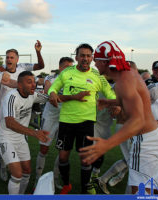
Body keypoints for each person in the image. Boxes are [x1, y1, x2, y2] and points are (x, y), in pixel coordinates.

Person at [79, 40, 158, 194]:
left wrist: (107, 144)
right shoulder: (129, 73)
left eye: (96, 60)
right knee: (152, 184)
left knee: (139, 191)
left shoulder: (123, 82)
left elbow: (138, 120)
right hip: (153, 136)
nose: (95, 64)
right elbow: (134, 100)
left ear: (104, 61)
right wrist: (110, 101)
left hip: (145, 140)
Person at [48, 43, 116, 194]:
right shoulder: (66, 73)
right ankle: (66, 184)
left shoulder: (98, 76)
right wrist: (52, 93)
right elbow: (54, 87)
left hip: (86, 123)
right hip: (66, 121)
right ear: (77, 57)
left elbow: (110, 94)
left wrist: (115, 104)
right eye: (82, 55)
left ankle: (85, 188)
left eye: (88, 56)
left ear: (92, 58)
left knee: (85, 159)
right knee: (63, 157)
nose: (85, 58)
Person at [0, 41, 45, 182]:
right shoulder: (0, 69)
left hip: (22, 107)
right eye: (7, 57)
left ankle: (17, 163)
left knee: (21, 135)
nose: (8, 60)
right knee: (4, 138)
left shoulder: (23, 67)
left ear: (17, 59)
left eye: (11, 57)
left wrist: (38, 51)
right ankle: (4, 166)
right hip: (4, 110)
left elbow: (41, 66)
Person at [0, 71, 49, 194]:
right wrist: (34, 133)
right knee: (17, 174)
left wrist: (73, 97)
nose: (33, 85)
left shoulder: (33, 95)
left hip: (20, 138)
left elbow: (50, 98)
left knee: (27, 170)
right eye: (29, 82)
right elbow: (10, 123)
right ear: (19, 85)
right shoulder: (11, 97)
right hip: (5, 137)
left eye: (34, 82)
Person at [35, 57, 74, 189]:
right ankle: (37, 180)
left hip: (65, 120)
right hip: (50, 118)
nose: (70, 69)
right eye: (67, 66)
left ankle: (55, 179)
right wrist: (71, 98)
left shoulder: (75, 80)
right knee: (44, 149)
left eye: (71, 66)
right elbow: (49, 93)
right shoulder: (51, 79)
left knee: (62, 153)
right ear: (60, 68)